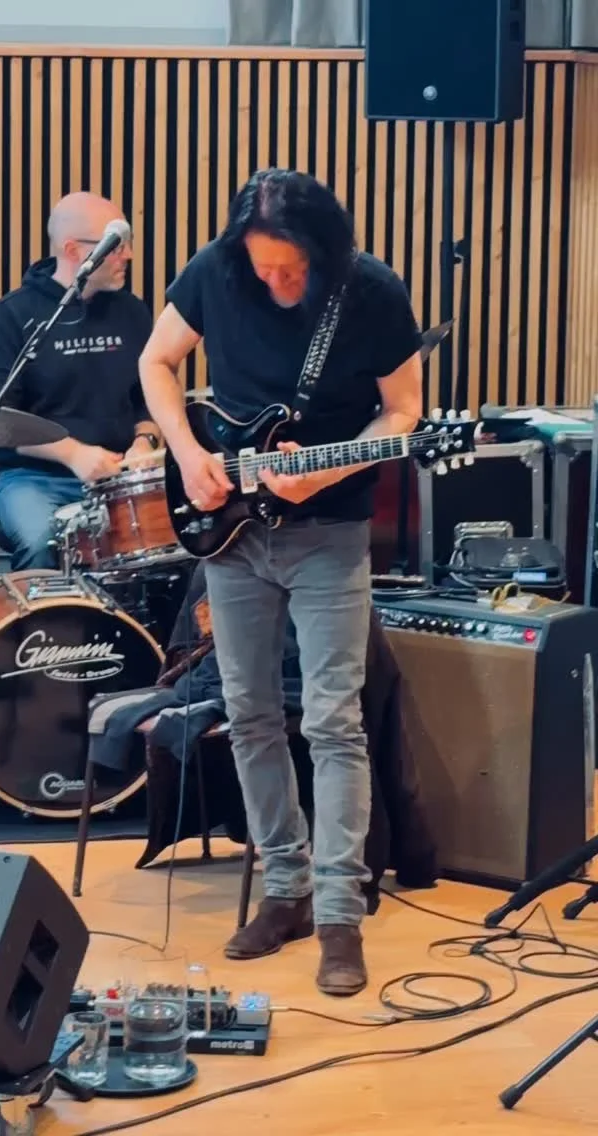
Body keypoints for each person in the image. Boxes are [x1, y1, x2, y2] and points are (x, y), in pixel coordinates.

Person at [139, 169, 422, 997]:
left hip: (329, 534)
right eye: (264, 268)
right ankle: (286, 890)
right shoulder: (214, 270)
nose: (277, 282)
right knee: (251, 714)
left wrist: (327, 473)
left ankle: (339, 914)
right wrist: (189, 453)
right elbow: (158, 361)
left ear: (323, 253)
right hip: (231, 535)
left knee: (333, 722)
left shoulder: (371, 292)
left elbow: (403, 413)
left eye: (291, 270)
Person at [0, 191, 161, 570]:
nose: (128, 255)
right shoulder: (12, 316)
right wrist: (74, 454)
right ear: (74, 250)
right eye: (116, 245)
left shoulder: (133, 313)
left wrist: (145, 442)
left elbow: (149, 401)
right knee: (42, 539)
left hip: (121, 478)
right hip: (33, 480)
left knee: (183, 534)